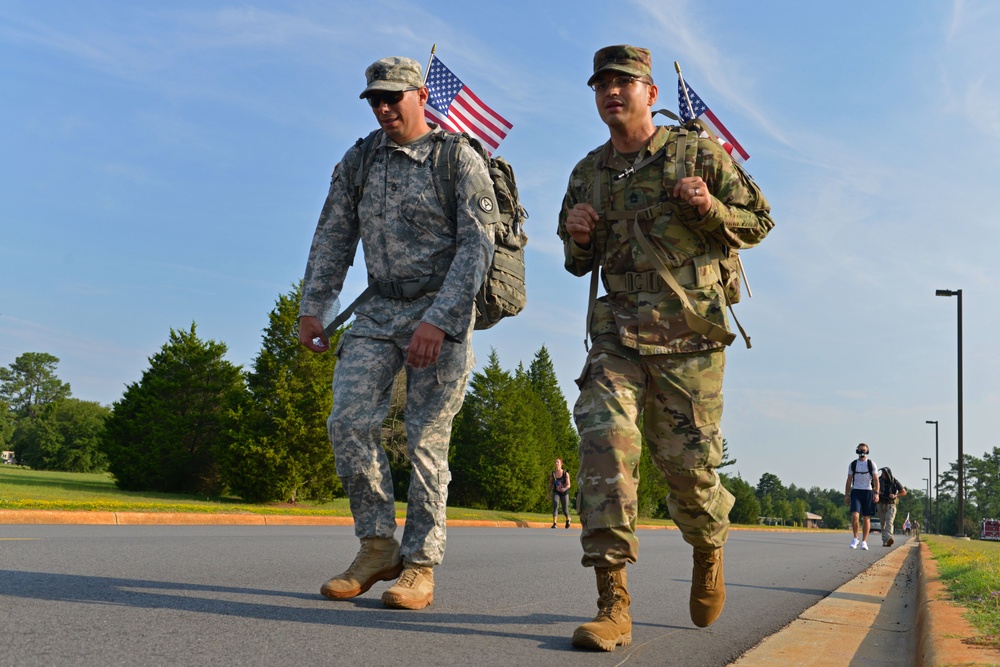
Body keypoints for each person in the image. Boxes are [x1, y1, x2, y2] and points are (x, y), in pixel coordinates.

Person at [557, 45, 774, 651]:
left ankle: (708, 544)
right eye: (601, 83)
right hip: (617, 336)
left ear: (651, 93)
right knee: (603, 443)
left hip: (690, 340)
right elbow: (578, 264)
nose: (612, 92)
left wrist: (708, 208)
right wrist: (577, 238)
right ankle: (612, 604)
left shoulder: (698, 152)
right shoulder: (588, 173)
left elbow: (759, 220)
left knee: (689, 472)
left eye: (625, 82)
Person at [297, 56, 497, 610]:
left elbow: (476, 245)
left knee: (425, 437)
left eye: (393, 98)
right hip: (379, 310)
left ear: (420, 96)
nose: (384, 108)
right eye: (375, 100)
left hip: (441, 310)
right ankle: (378, 544)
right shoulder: (361, 160)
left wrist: (441, 320)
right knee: (348, 421)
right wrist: (313, 307)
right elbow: (333, 236)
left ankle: (421, 565)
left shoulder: (456, 158)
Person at [845, 443, 880, 550]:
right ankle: (856, 538)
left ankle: (864, 541)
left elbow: (876, 479)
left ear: (867, 451)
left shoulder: (871, 464)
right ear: (857, 451)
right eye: (860, 450)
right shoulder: (853, 464)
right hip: (856, 491)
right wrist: (847, 494)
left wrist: (876, 493)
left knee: (866, 518)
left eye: (864, 450)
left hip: (868, 492)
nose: (862, 453)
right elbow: (849, 480)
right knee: (855, 515)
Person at [875, 467, 907, 546]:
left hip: (891, 505)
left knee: (889, 521)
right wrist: (876, 492)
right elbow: (872, 487)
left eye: (883, 473)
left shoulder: (894, 482)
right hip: (880, 504)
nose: (882, 474)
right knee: (883, 523)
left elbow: (903, 492)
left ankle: (889, 537)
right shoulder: (878, 480)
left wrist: (895, 495)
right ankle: (885, 540)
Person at [549, 458, 572, 529]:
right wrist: (548, 493)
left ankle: (568, 519)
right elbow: (550, 483)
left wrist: (564, 488)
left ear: (561, 464)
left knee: (564, 509)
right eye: (555, 462)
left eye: (558, 462)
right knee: (555, 505)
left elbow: (569, 485)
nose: (556, 463)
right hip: (556, 491)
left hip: (564, 492)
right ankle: (554, 523)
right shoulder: (553, 473)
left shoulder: (565, 474)